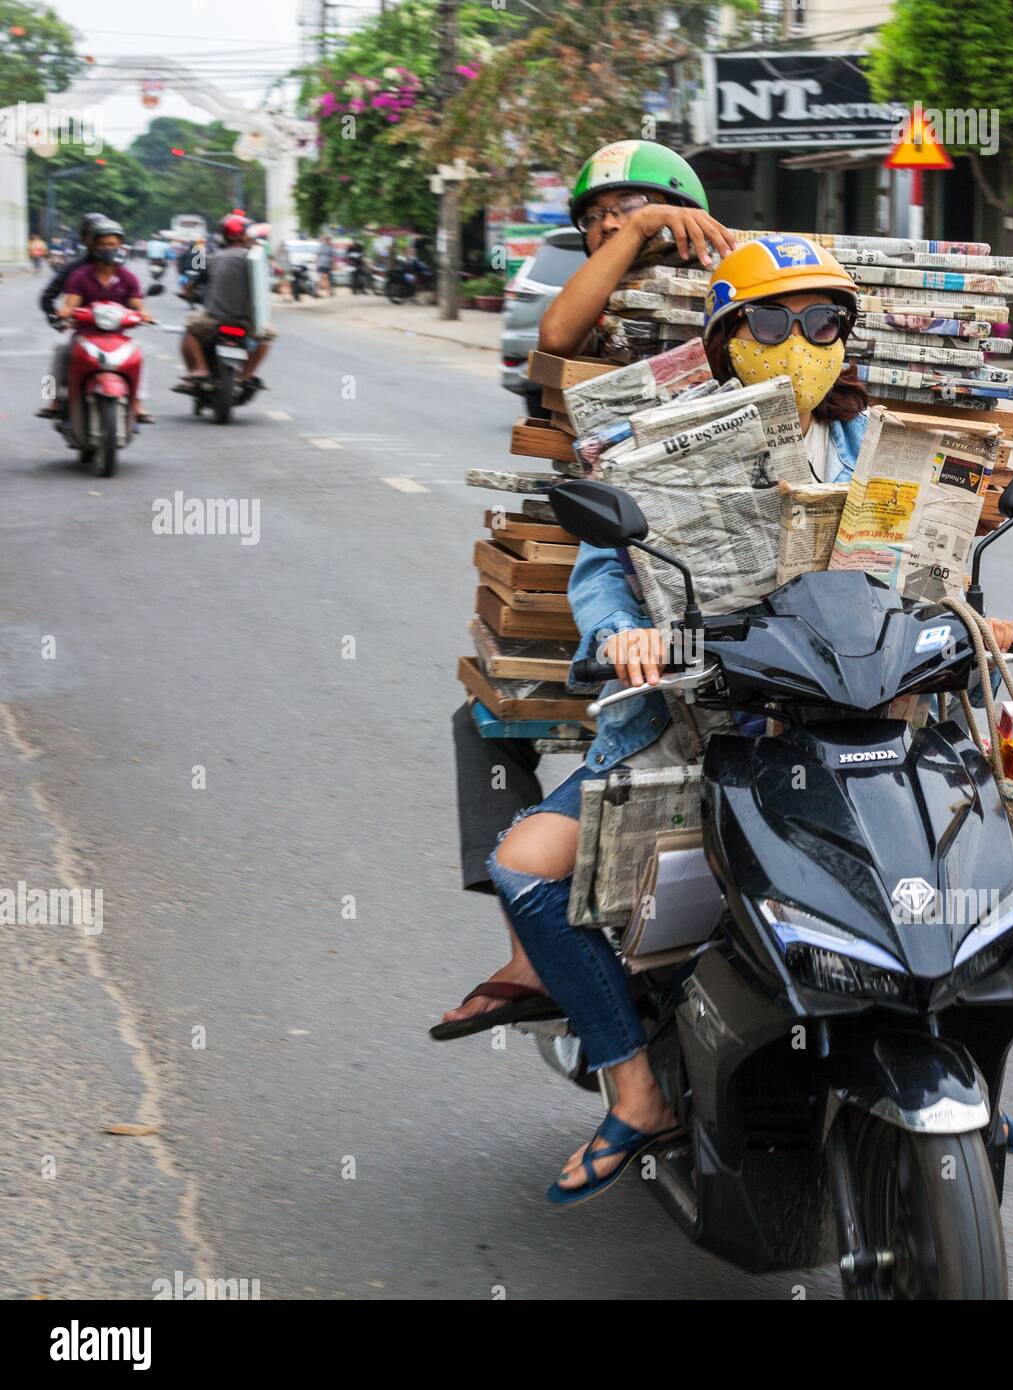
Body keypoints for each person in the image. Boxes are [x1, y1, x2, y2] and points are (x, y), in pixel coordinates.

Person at [451, 234, 1013, 1200]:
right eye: (773, 319)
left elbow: (923, 576)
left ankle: (971, 1064)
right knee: (526, 866)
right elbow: (605, 574)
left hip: (858, 717)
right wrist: (625, 638)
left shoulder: (874, 445)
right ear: (729, 334)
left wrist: (976, 617)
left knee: (998, 855)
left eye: (822, 321)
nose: (799, 338)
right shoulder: (659, 439)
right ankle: (636, 1088)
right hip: (701, 723)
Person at [435, 142, 735, 1041]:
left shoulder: (729, 301)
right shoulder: (603, 317)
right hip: (614, 566)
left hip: (721, 575)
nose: (612, 222)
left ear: (685, 214)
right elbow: (553, 343)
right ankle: (535, 941)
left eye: (635, 206)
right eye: (598, 214)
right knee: (486, 716)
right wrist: (633, 234)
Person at [539, 139, 736, 358]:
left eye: (631, 205)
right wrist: (638, 224)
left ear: (684, 213)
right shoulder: (597, 312)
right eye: (594, 216)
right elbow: (555, 339)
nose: (607, 224)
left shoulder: (727, 293)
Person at [45, 220, 155, 425]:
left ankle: (138, 402)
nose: (109, 249)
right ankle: (50, 399)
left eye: (113, 244)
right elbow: (71, 302)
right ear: (93, 247)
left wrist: (145, 314)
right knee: (59, 349)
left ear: (121, 247)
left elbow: (137, 303)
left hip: (117, 336)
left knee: (139, 354)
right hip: (85, 333)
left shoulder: (128, 278)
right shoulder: (80, 276)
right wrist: (65, 311)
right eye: (103, 244)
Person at [174, 213, 275, 393]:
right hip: (247, 323)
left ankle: (200, 369)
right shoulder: (254, 259)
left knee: (190, 329)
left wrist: (187, 292)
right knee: (267, 337)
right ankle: (246, 375)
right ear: (243, 236)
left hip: (215, 321)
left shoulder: (213, 258)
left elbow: (193, 282)